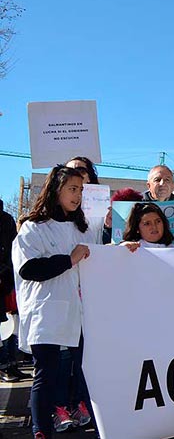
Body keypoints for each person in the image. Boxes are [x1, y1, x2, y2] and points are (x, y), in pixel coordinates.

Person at [12, 166, 101, 438]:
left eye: (81, 190)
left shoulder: (81, 227)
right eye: (73, 189)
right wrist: (68, 260)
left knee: (87, 370)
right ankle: (42, 430)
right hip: (46, 312)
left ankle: (97, 421)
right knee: (46, 375)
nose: (78, 196)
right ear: (56, 190)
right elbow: (28, 269)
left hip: (79, 312)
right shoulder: (34, 227)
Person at [0, 198, 25, 383]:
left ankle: (8, 365)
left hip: (4, 282)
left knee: (6, 328)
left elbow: (11, 252)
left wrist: (7, 275)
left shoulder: (6, 219)